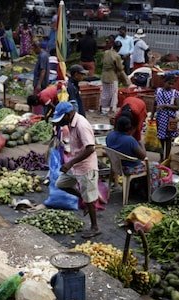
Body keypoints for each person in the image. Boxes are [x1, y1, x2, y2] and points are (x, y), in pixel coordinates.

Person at [52, 102, 100, 239]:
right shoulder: (70, 124)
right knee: (61, 183)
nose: (60, 122)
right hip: (76, 166)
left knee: (90, 198)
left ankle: (95, 227)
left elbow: (90, 148)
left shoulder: (81, 125)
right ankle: (82, 199)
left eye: (61, 119)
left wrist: (70, 162)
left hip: (86, 167)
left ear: (68, 115)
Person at [155, 74, 179, 161]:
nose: (170, 86)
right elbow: (155, 103)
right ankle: (161, 156)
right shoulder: (158, 91)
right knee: (161, 138)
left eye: (172, 84)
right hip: (160, 118)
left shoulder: (175, 93)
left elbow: (177, 107)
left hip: (170, 118)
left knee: (168, 139)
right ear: (164, 82)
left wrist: (166, 106)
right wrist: (151, 117)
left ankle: (167, 157)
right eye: (169, 83)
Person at [100, 40, 130, 115]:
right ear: (119, 48)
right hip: (112, 76)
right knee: (113, 94)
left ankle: (102, 108)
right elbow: (120, 68)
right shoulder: (117, 56)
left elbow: (102, 62)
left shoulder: (106, 52)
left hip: (104, 75)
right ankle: (111, 110)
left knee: (104, 93)